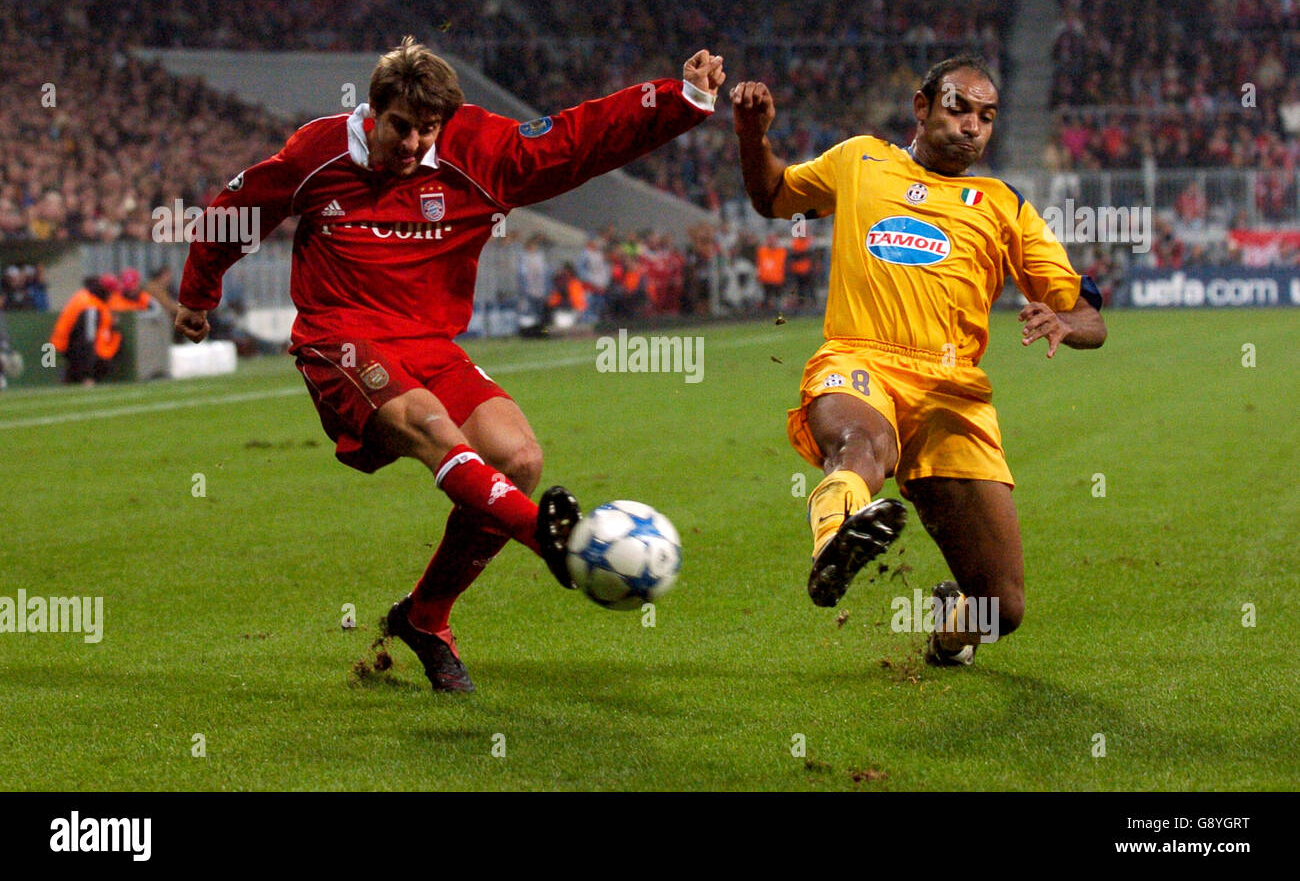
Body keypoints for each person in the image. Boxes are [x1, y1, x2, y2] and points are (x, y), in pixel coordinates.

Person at [176, 36, 725, 693]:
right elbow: (235, 212)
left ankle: (424, 618)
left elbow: (581, 140)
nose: (411, 145)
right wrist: (196, 297)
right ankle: (558, 542)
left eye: (426, 131)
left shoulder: (479, 152)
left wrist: (680, 99)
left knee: (519, 459)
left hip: (432, 345)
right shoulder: (316, 154)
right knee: (436, 430)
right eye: (400, 128)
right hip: (340, 336)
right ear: (373, 112)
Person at [731, 54, 1106, 666]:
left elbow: (1092, 319)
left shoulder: (1002, 204)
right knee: (859, 443)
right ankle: (834, 543)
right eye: (959, 108)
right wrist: (753, 136)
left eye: (986, 118)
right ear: (922, 107)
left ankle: (949, 630)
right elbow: (772, 194)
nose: (972, 127)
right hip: (861, 360)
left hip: (952, 393)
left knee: (1001, 609)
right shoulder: (860, 159)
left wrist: (1066, 320)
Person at [49, 274, 123, 385]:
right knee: (99, 364)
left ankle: (74, 376)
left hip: (72, 342)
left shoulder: (88, 297)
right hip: (72, 344)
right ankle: (78, 378)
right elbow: (86, 340)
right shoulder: (90, 307)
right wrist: (88, 374)